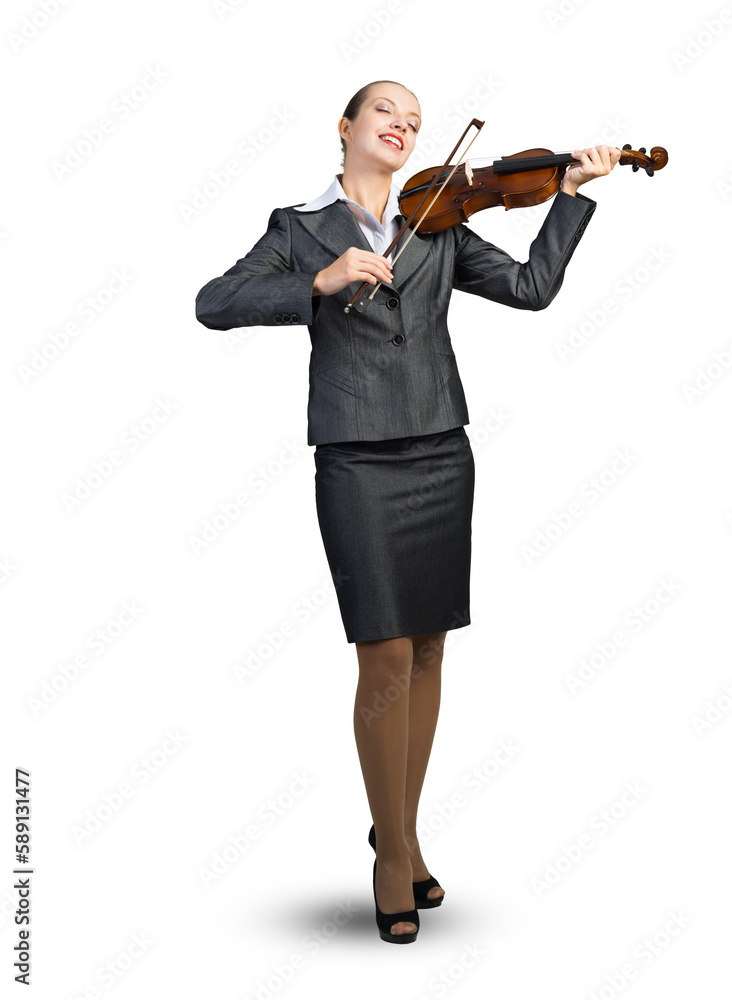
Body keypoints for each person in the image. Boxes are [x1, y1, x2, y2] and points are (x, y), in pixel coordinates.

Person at [195, 79, 620, 944]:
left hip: (439, 453)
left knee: (427, 648)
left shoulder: (441, 217)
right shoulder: (297, 228)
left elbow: (534, 288)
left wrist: (569, 197)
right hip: (356, 456)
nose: (405, 126)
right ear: (346, 127)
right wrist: (318, 279)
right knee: (383, 655)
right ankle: (393, 854)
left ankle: (403, 828)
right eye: (387, 112)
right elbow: (214, 303)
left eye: (417, 121)